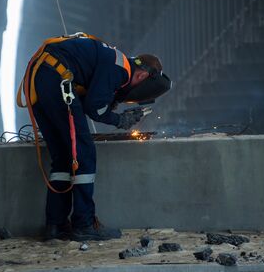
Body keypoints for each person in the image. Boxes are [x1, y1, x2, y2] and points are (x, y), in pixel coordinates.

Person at [18, 33, 171, 241]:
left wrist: (111, 105)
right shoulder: (120, 68)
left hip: (39, 81)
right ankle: (84, 224)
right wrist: (120, 121)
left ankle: (56, 225)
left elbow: (92, 94)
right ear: (143, 76)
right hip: (59, 81)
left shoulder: (111, 59)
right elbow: (94, 108)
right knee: (85, 153)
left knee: (63, 157)